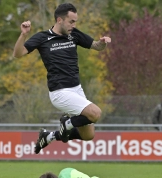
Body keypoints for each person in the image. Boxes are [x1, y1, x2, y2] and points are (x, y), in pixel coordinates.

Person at [13, 3, 111, 154]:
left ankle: (48, 136)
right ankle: (68, 124)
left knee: (88, 135)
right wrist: (23, 35)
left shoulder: (74, 35)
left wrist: (103, 43)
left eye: (75, 21)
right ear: (59, 20)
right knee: (95, 113)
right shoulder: (42, 38)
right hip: (60, 92)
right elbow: (18, 54)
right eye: (71, 22)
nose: (74, 25)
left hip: (77, 89)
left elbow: (96, 46)